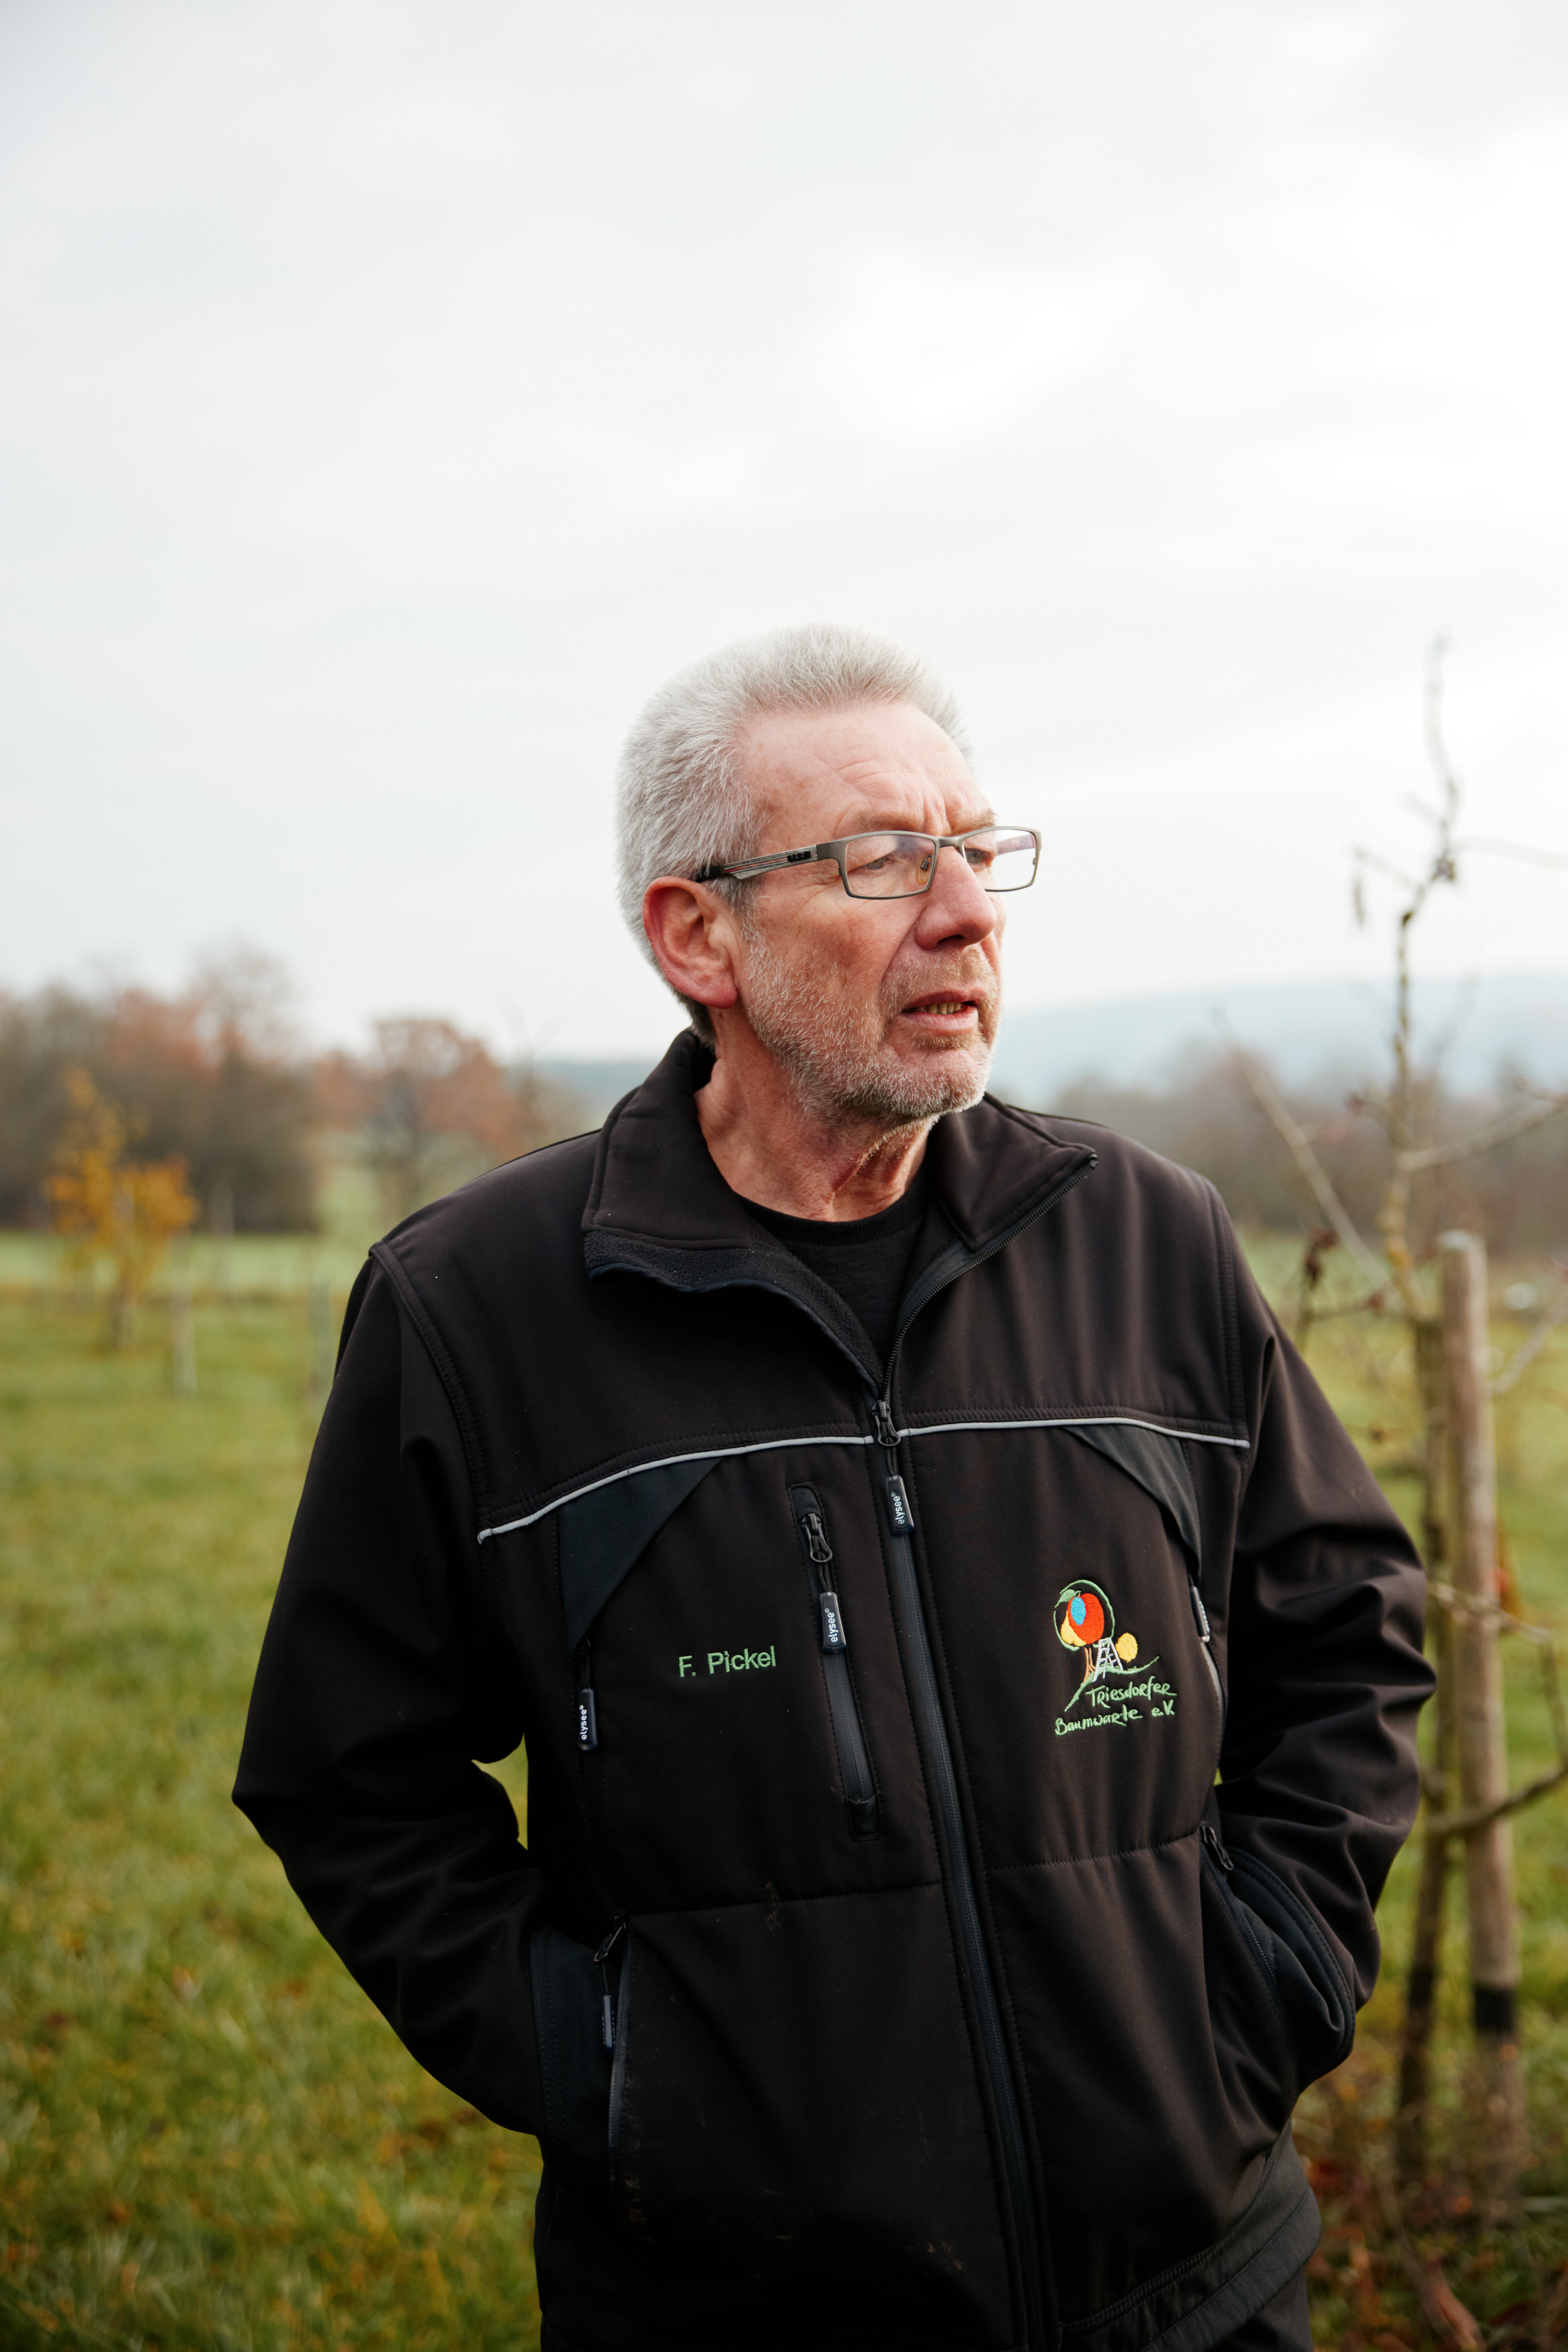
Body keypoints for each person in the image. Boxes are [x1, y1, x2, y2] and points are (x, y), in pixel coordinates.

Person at [235, 622, 1433, 2352]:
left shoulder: (1147, 1237)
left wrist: (1271, 1977)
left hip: (1197, 2287)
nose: (965, 912)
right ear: (695, 931)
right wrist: (609, 2066)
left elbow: (1347, 1629)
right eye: (882, 859)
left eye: (980, 849)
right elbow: (351, 1774)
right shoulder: (476, 1307)